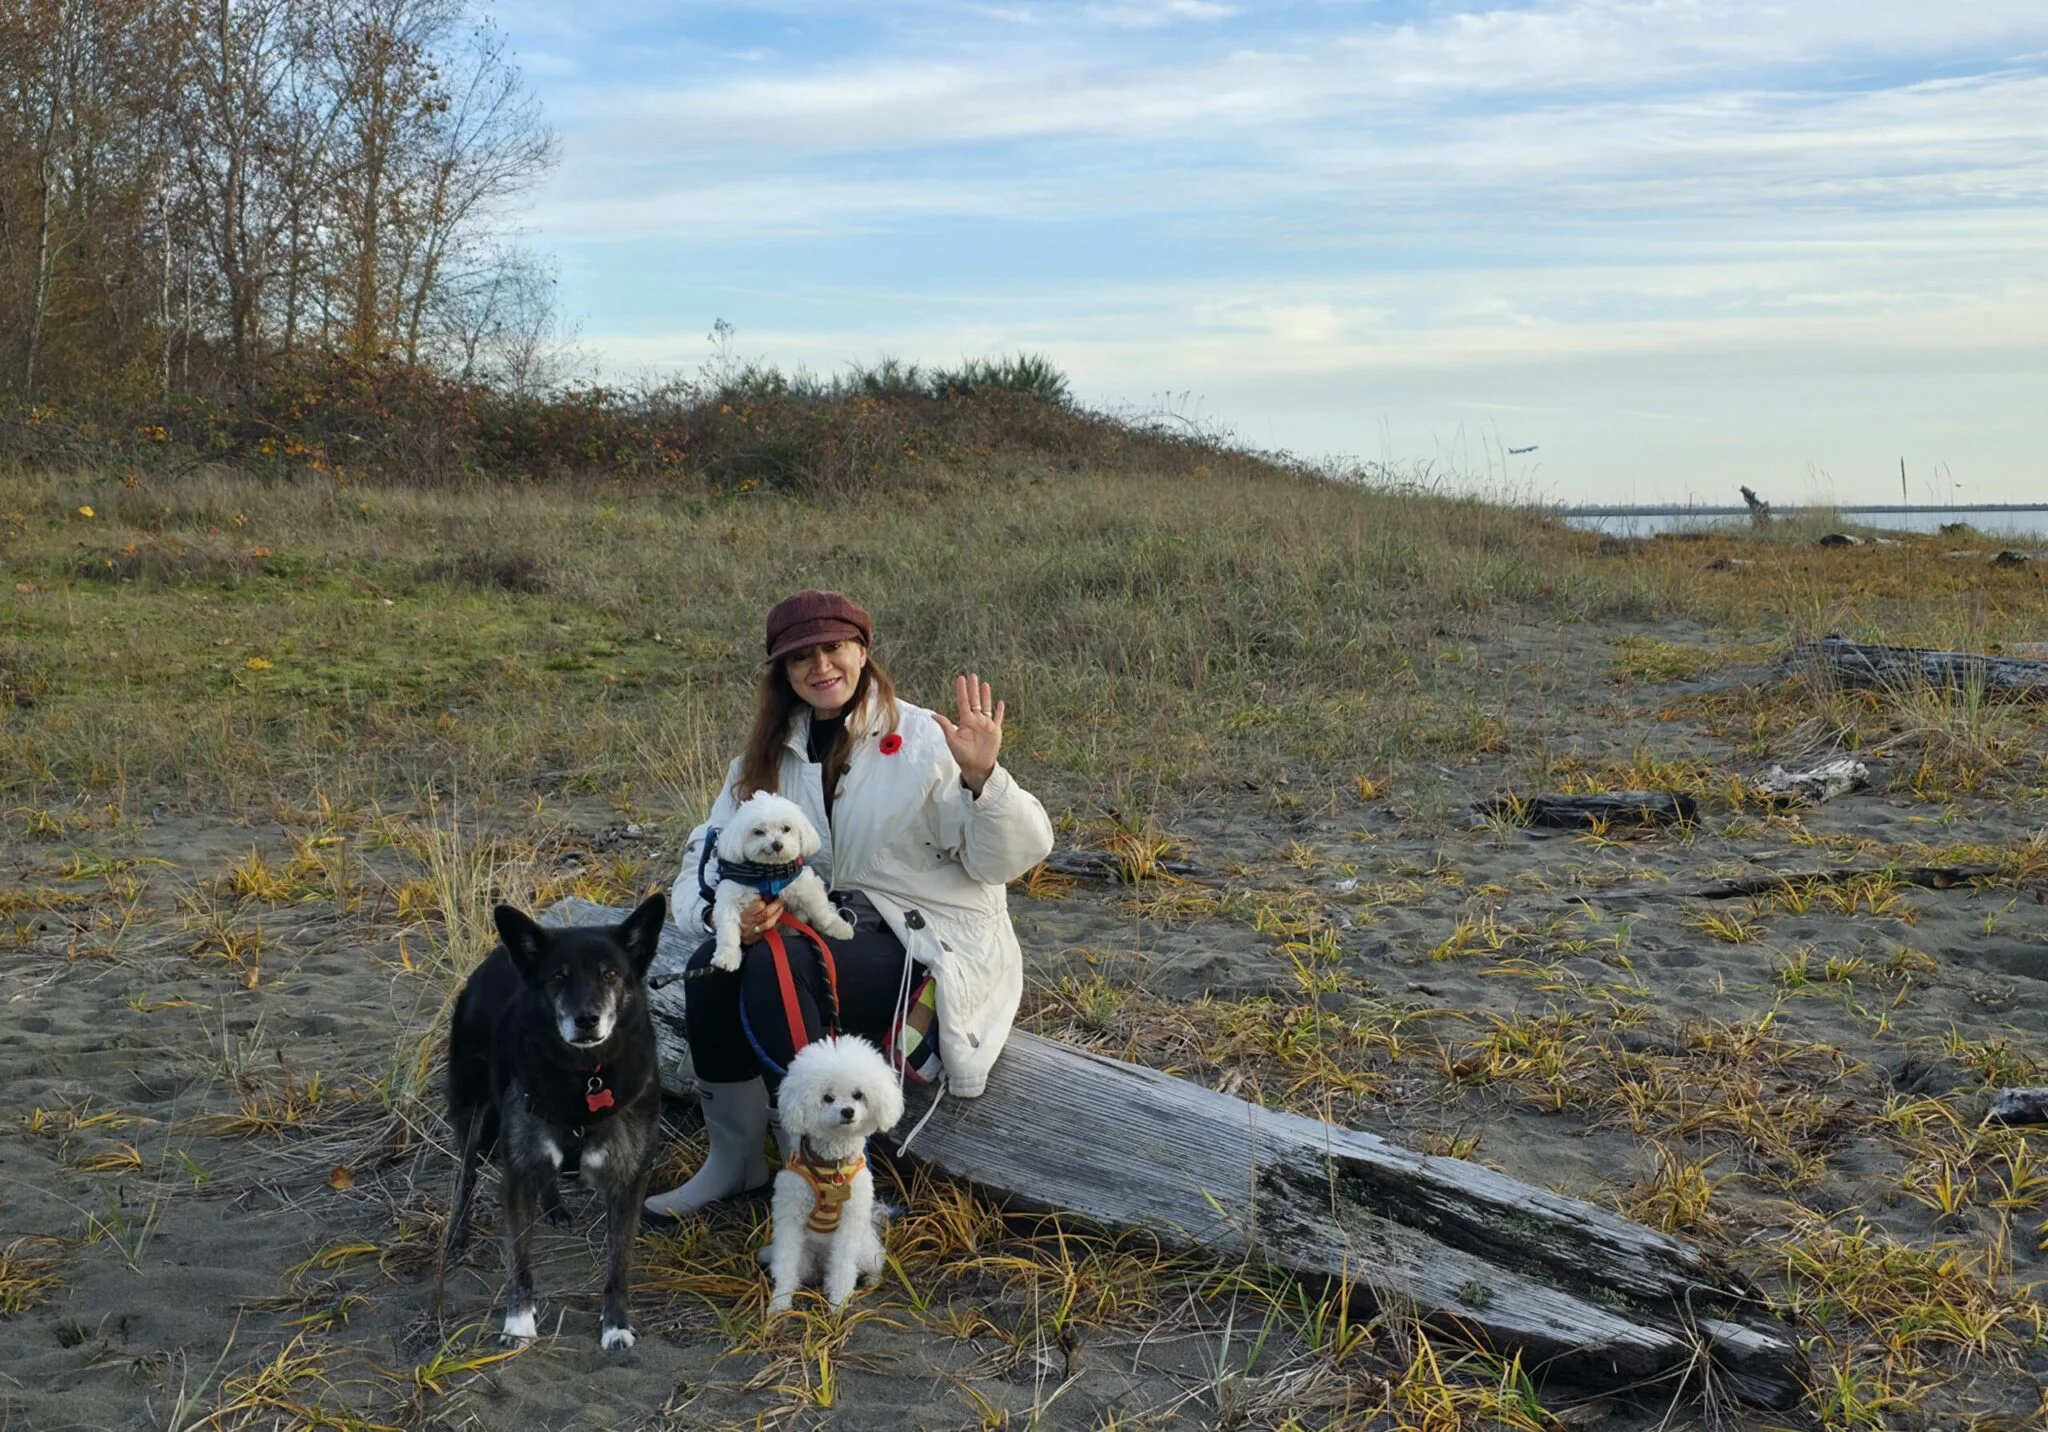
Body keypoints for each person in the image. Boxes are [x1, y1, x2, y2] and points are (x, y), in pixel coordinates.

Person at [644, 589, 1054, 1219]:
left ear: (863, 651)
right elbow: (706, 857)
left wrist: (984, 779)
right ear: (782, 671)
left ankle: (829, 1170)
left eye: (834, 647)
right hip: (817, 936)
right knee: (710, 963)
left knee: (774, 959)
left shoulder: (924, 740)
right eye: (800, 656)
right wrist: (722, 917)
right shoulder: (763, 756)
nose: (820, 666)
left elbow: (1001, 861)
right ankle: (736, 1162)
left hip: (920, 940)